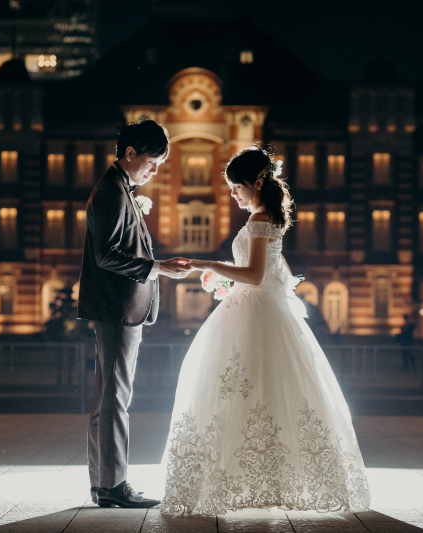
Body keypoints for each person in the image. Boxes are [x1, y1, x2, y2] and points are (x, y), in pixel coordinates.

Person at [160, 146, 370, 515]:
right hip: (260, 310)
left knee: (240, 392)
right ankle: (268, 477)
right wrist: (226, 274)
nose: (232, 193)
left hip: (253, 314)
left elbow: (255, 276)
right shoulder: (268, 217)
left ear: (254, 182)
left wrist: (206, 264)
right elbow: (275, 273)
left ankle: (243, 477)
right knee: (265, 392)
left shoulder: (259, 221)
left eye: (235, 186)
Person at [77, 118, 192, 509]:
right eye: (153, 161)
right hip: (118, 309)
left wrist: (157, 265)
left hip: (119, 308)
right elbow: (106, 255)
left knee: (108, 397)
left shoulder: (119, 189)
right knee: (115, 399)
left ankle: (104, 483)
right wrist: (158, 267)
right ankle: (113, 485)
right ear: (130, 154)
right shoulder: (111, 191)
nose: (155, 170)